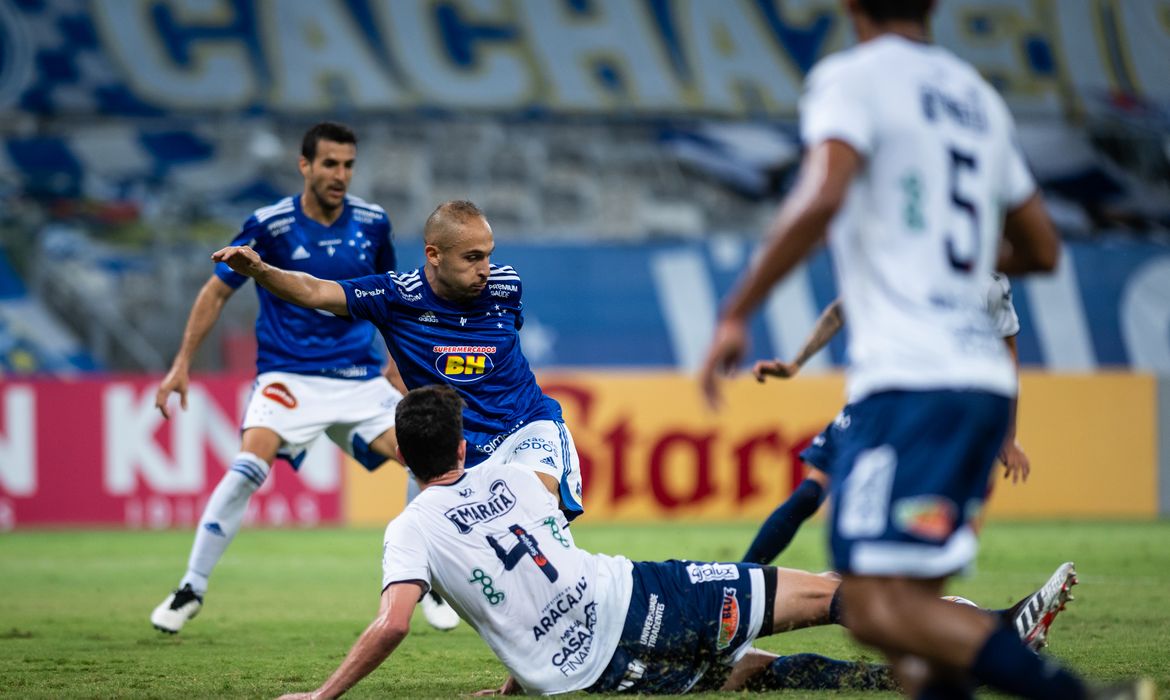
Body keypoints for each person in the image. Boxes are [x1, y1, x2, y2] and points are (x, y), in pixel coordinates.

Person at [699, 2, 1150, 698]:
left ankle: (1078, 696)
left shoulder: (853, 78)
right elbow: (1042, 247)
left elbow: (822, 195)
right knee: (915, 613)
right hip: (976, 387)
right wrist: (953, 261)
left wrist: (737, 311)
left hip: (910, 383)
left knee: (875, 606)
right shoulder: (976, 97)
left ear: (850, 7)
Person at [274, 386, 1078, 699]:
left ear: (402, 460)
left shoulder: (408, 528)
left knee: (744, 674)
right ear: (460, 443)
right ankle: (992, 631)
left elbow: (400, 622)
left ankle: (887, 680)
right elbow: (554, 569)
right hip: (642, 597)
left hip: (586, 682)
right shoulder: (519, 478)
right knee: (827, 595)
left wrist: (320, 697)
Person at [150, 122, 459, 634]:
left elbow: (395, 297)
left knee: (424, 463)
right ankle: (191, 587)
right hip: (288, 376)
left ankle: (427, 582)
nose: (340, 174)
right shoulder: (269, 225)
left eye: (348, 164)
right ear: (306, 166)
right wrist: (182, 362)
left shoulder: (373, 223)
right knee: (248, 465)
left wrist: (396, 361)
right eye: (330, 164)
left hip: (358, 378)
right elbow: (216, 291)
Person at [210, 200, 584, 521]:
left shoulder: (506, 286)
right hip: (463, 450)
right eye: (472, 258)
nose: (485, 268)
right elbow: (314, 291)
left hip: (527, 425)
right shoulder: (394, 297)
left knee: (536, 511)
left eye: (488, 255)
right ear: (434, 254)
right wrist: (261, 270)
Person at [744, 273, 1029, 567]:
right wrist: (794, 365)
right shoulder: (909, 253)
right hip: (876, 400)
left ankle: (907, 596)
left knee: (918, 515)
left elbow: (1006, 353)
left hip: (933, 414)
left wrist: (1007, 433)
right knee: (810, 494)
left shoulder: (990, 283)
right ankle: (742, 577)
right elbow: (840, 310)